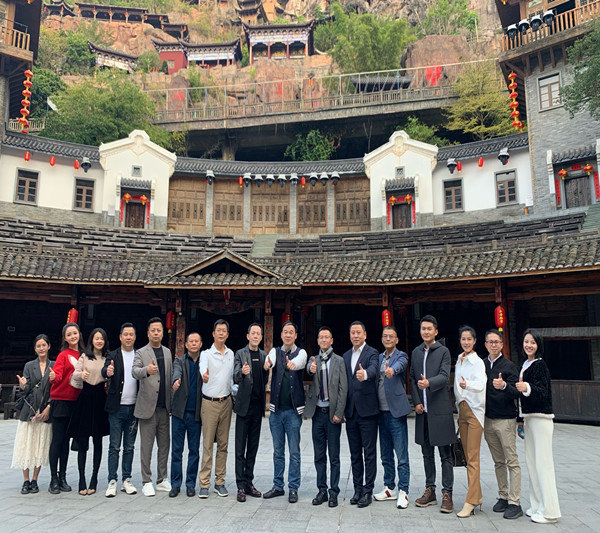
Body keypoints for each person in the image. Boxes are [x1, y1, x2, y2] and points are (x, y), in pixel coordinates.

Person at [409, 315, 455, 513]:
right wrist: (417, 402)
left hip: (440, 410)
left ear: (436, 331)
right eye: (423, 329)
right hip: (423, 412)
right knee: (427, 453)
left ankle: (447, 493)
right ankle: (430, 490)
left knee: (445, 455)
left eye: (429, 329)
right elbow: (412, 378)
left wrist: (429, 383)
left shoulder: (443, 351)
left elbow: (444, 376)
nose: (426, 332)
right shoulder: (416, 352)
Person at [515, 328, 561, 524]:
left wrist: (526, 387)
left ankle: (550, 511)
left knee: (543, 464)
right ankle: (537, 505)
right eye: (526, 341)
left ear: (538, 345)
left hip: (541, 418)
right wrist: (520, 420)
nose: (529, 345)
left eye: (532, 342)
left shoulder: (540, 365)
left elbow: (543, 391)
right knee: (532, 463)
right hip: (529, 418)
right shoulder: (526, 364)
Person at [263, 321, 307, 503]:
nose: (288, 335)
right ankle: (278, 486)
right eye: (285, 332)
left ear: (295, 335)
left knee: (294, 452)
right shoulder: (275, 351)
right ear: (281, 335)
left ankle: (293, 487)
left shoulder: (301, 353)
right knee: (278, 451)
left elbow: (300, 362)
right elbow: (270, 360)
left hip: (293, 412)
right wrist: (268, 363)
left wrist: (292, 364)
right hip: (276, 411)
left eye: (291, 332)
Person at [305, 326, 348, 508]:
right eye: (320, 337)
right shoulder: (313, 359)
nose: (323, 340)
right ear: (318, 341)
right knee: (319, 455)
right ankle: (321, 490)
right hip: (317, 414)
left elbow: (343, 388)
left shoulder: (339, 361)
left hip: (332, 415)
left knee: (334, 456)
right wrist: (310, 369)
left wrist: (339, 412)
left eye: (326, 337)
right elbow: (308, 369)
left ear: (331, 341)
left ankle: (334, 491)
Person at [483, 329, 523, 520]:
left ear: (501, 344)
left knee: (511, 461)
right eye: (490, 342)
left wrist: (505, 386)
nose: (493, 345)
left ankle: (515, 502)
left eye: (496, 342)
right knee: (498, 461)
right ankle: (503, 496)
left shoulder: (509, 366)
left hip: (506, 419)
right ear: (485, 344)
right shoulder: (482, 365)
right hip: (488, 419)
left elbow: (517, 392)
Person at [133, 317, 173, 497]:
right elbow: (135, 372)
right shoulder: (141, 352)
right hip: (148, 407)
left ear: (163, 333)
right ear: (148, 333)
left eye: (159, 330)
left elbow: (169, 376)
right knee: (147, 447)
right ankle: (146, 480)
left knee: (164, 445)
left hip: (164, 407)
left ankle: (162, 479)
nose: (156, 333)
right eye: (153, 330)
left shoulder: (167, 352)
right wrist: (146, 371)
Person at [374, 325, 411, 509]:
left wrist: (392, 370)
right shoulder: (378, 357)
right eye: (385, 336)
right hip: (380, 412)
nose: (388, 339)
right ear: (382, 339)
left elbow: (400, 366)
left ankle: (403, 490)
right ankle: (389, 487)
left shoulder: (401, 356)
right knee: (385, 453)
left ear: (396, 340)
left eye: (391, 336)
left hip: (395, 412)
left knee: (401, 454)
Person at [343, 321, 379, 508]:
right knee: (355, 453)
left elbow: (373, 369)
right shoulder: (346, 355)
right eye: (353, 332)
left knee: (369, 453)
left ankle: (368, 490)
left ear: (365, 334)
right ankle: (357, 489)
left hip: (368, 411)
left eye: (358, 332)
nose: (356, 335)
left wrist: (365, 374)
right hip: (351, 412)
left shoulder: (372, 353)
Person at [11, 334, 54, 495]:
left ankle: (35, 479)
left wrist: (48, 407)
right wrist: (23, 385)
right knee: (26, 444)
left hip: (44, 410)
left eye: (44, 345)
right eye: (38, 346)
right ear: (35, 349)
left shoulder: (54, 365)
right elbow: (26, 389)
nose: (41, 348)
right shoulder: (29, 366)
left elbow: (54, 389)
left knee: (39, 445)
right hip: (29, 410)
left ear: (49, 346)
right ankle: (25, 480)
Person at [70, 328, 110, 495]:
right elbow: (75, 374)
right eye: (96, 338)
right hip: (85, 399)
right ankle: (81, 479)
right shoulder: (84, 356)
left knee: (98, 441)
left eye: (102, 338)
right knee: (82, 440)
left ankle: (94, 478)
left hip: (100, 398)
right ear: (91, 340)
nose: (99, 341)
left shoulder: (108, 358)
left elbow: (111, 375)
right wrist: (82, 374)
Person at [102, 322, 139, 497]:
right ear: (120, 337)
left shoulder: (139, 355)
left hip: (134, 408)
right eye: (126, 334)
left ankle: (126, 479)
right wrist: (107, 371)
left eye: (131, 334)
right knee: (114, 446)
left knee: (129, 447)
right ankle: (112, 480)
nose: (128, 337)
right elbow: (105, 370)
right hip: (117, 408)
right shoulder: (113, 355)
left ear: (135, 337)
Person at [198, 319, 235, 498]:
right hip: (209, 403)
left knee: (223, 444)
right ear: (213, 333)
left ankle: (220, 482)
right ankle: (204, 483)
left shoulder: (231, 354)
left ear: (227, 334)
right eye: (218, 330)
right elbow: (202, 368)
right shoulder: (206, 354)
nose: (221, 333)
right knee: (207, 445)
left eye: (224, 331)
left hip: (226, 402)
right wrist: (204, 375)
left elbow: (232, 379)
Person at [233, 323, 269, 502]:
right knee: (240, 449)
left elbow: (265, 379)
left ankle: (249, 483)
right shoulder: (240, 354)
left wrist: (267, 369)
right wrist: (242, 372)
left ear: (261, 337)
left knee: (253, 448)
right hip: (243, 408)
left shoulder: (263, 355)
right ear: (247, 336)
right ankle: (240, 485)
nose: (255, 336)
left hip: (257, 408)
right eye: (253, 333)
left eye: (258, 334)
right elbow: (235, 376)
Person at [454, 326, 486, 518]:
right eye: (463, 339)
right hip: (462, 410)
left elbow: (481, 384)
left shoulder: (478, 362)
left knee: (473, 458)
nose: (466, 342)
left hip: (474, 411)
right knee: (467, 457)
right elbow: (456, 387)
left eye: (469, 339)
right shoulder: (459, 359)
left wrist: (468, 385)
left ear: (474, 341)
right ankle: (478, 495)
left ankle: (471, 500)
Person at [48, 322, 84, 494]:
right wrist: (53, 376)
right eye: (69, 334)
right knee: (58, 440)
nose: (72, 336)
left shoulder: (84, 355)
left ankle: (62, 477)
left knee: (66, 442)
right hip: (61, 401)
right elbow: (58, 374)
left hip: (76, 402)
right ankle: (53, 479)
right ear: (65, 338)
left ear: (79, 334)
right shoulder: (63, 355)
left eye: (74, 333)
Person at [170, 332, 203, 498]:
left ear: (201, 344)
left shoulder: (205, 361)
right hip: (179, 412)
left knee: (194, 450)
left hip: (196, 413)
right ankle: (175, 484)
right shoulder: (179, 361)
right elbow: (176, 373)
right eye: (191, 341)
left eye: (197, 341)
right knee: (177, 450)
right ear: (186, 345)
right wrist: (176, 381)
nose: (194, 343)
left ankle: (190, 484)